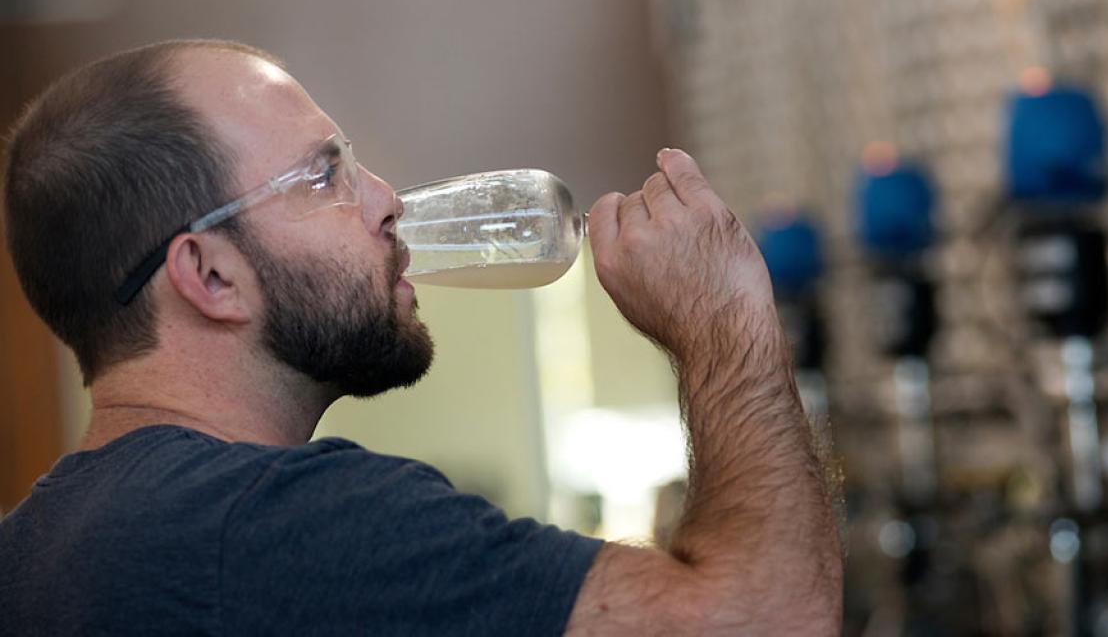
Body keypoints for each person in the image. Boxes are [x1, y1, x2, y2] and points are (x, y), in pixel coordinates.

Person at [0, 39, 841, 635]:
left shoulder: (34, 556)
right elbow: (770, 617)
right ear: (210, 275)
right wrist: (726, 325)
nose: (386, 199)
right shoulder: (284, 526)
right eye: (324, 174)